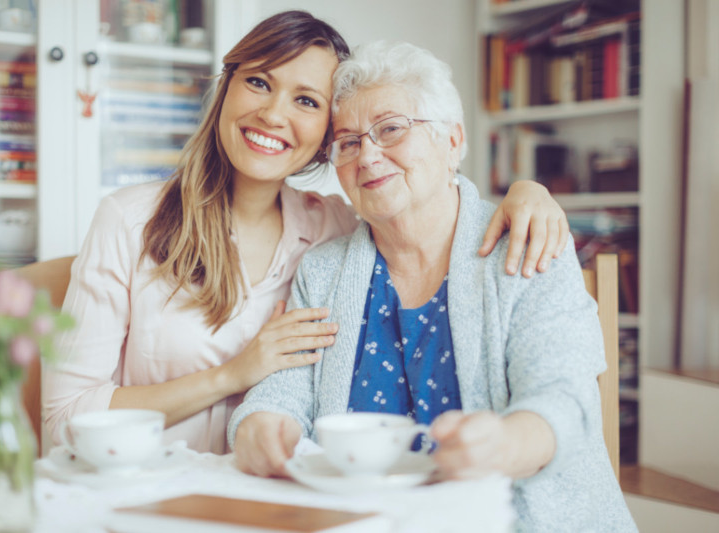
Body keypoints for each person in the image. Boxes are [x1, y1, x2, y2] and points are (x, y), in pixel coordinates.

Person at [43, 11, 568, 455]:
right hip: (150, 491)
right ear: (227, 87)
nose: (272, 114)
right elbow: (63, 418)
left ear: (325, 138)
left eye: (307, 101)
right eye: (259, 82)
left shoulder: (336, 232)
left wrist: (527, 191)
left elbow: (421, 197)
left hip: (275, 503)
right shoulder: (128, 220)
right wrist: (233, 374)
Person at [229, 41, 636, 532]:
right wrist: (257, 428)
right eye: (350, 141)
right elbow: (281, 394)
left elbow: (564, 399)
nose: (368, 155)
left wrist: (505, 444)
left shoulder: (527, 242)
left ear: (452, 141)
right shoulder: (323, 270)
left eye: (392, 129)